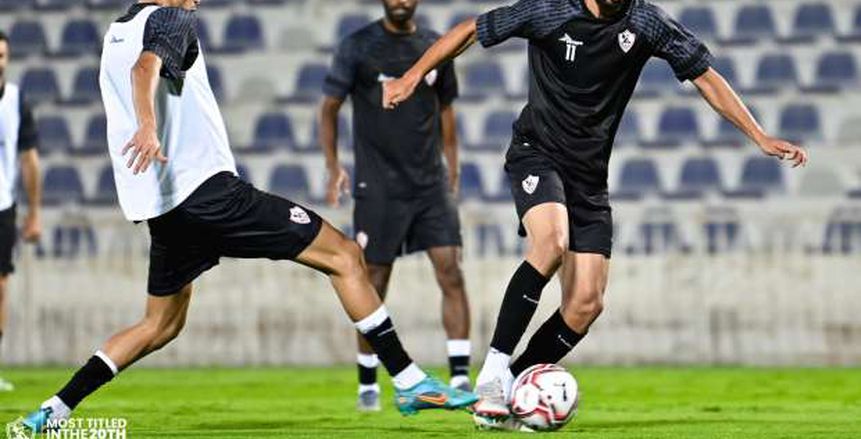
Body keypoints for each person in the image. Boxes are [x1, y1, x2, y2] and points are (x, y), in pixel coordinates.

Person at [17, 0, 476, 433]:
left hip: (165, 210)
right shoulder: (170, 19)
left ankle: (52, 410)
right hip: (211, 195)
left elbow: (138, 67)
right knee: (345, 256)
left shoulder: (115, 34)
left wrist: (146, 123)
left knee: (159, 325)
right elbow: (146, 68)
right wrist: (148, 123)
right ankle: (410, 381)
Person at [383, 0, 808, 429]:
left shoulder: (646, 21)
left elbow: (705, 77)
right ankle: (493, 372)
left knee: (585, 304)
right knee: (551, 243)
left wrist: (759, 136)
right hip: (538, 153)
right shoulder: (549, 10)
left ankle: (510, 390)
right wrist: (412, 76)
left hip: (589, 177)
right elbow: (470, 29)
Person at [321, 0, 472, 411]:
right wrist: (334, 166)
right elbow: (329, 107)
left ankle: (460, 373)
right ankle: (368, 379)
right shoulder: (358, 46)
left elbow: (446, 111)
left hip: (429, 185)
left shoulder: (434, 47)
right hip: (378, 186)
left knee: (451, 272)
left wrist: (452, 167)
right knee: (371, 281)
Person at [0, 30, 43, 393]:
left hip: (2, 204)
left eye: (1, 55)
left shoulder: (16, 101)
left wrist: (34, 213)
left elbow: (29, 160)